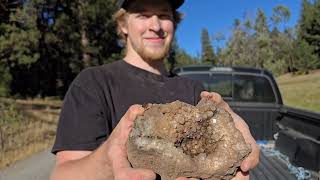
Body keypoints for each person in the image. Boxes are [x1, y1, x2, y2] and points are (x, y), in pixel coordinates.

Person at [50, 0, 259, 179]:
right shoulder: (93, 83)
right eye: (143, 14)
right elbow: (62, 175)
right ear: (123, 24)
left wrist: (233, 140)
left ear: (174, 23)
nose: (155, 25)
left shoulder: (194, 90)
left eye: (163, 14)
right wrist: (108, 159)